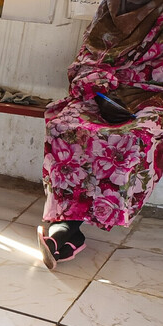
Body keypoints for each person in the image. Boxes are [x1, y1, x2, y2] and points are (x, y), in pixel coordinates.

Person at [39, 0, 163, 268]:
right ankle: (67, 225)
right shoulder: (111, 6)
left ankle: (68, 228)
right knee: (66, 127)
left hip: (154, 96)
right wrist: (99, 90)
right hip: (104, 91)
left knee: (136, 136)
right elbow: (88, 58)